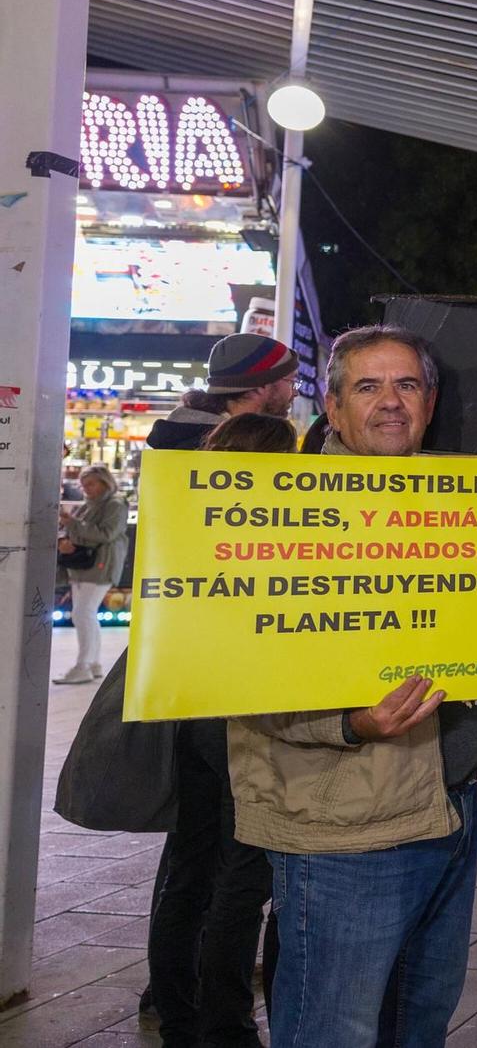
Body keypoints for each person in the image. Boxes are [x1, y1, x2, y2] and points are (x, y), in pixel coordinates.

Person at [228, 324, 477, 1048]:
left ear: (428, 402)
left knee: (418, 1026)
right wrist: (350, 722)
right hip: (345, 825)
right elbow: (234, 668)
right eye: (368, 386)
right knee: (333, 1030)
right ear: (331, 408)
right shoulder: (279, 508)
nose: (391, 402)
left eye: (407, 385)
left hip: (450, 808)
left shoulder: (456, 499)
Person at [144, 416, 292, 1048]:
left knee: (189, 868)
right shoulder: (272, 521)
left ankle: (178, 1014)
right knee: (245, 876)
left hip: (190, 707)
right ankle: (226, 1026)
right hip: (245, 713)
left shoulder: (189, 510)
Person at [146, 334, 299, 449]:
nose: (295, 393)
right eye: (291, 382)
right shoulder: (243, 449)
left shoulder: (174, 439)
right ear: (262, 385)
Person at [55, 464, 127, 685]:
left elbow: (106, 534)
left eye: (91, 484)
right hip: (82, 566)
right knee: (85, 614)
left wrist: (73, 524)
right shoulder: (88, 506)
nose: (86, 489)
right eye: (84, 485)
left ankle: (83, 665)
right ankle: (93, 663)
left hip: (100, 566)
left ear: (104, 482)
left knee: (83, 613)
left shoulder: (114, 505)